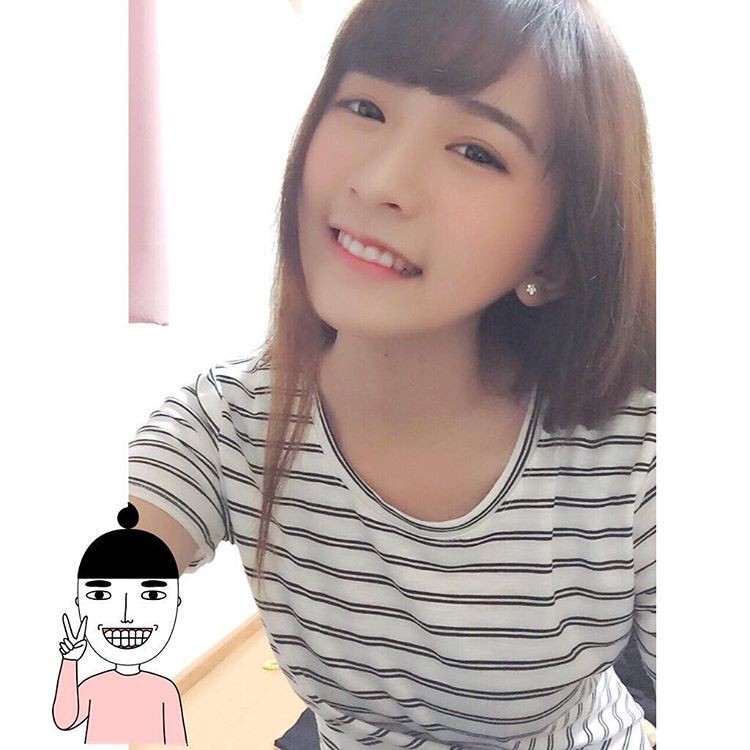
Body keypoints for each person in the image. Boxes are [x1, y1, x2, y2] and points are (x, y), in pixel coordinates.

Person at [127, 1, 656, 747]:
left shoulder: (634, 458)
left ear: (556, 254)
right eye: (366, 108)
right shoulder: (228, 427)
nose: (380, 183)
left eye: (475, 152)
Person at [53, 503, 188, 745]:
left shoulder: (164, 691)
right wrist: (69, 661)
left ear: (176, 603)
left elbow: (176, 742)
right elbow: (64, 720)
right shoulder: (94, 687)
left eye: (151, 595)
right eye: (101, 595)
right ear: (79, 603)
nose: (126, 616)